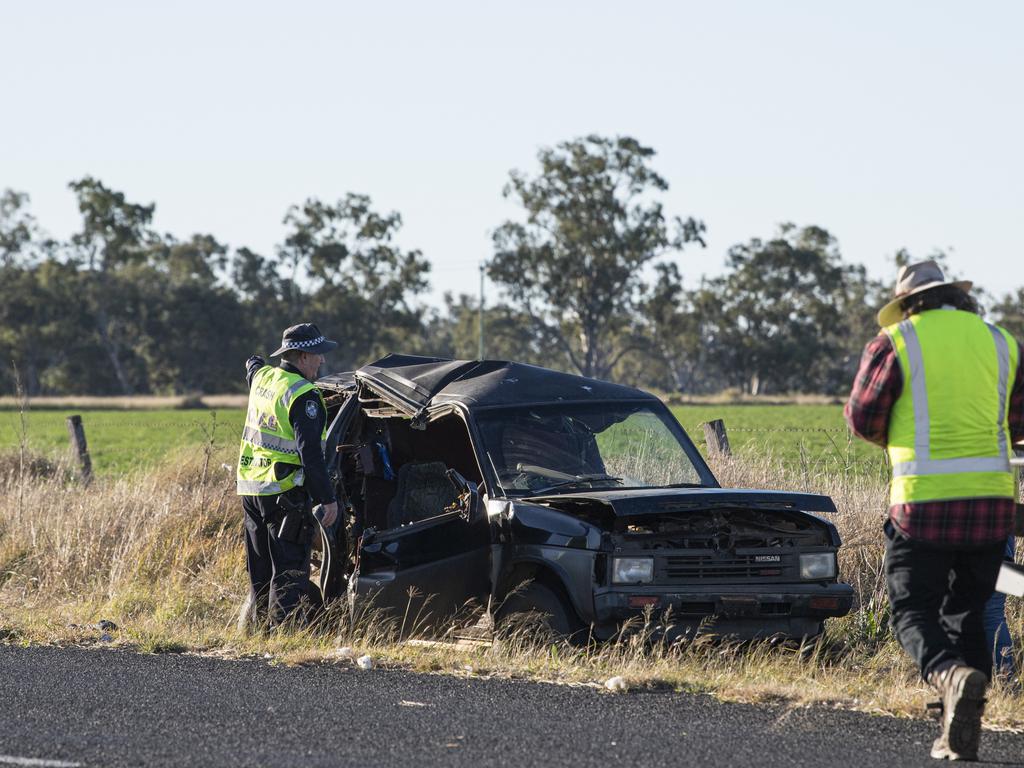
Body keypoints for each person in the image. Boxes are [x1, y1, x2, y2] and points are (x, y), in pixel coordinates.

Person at [845, 260, 1023, 761]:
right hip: (991, 508)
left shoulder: (896, 342)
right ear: (956, 297)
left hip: (922, 506)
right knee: (967, 614)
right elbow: (1020, 419)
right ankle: (958, 732)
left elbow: (863, 418)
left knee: (911, 610)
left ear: (907, 303)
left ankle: (948, 676)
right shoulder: (1001, 342)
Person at [236, 323, 339, 629]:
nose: (322, 361)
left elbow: (252, 365)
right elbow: (312, 456)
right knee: (290, 573)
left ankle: (257, 636)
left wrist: (254, 363)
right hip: (284, 495)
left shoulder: (265, 377)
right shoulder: (303, 396)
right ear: (302, 356)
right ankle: (284, 640)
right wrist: (327, 500)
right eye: (317, 355)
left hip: (251, 489)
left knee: (261, 571)